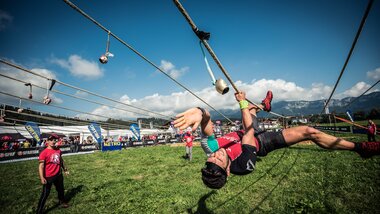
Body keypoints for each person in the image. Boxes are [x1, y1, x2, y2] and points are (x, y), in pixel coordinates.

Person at [173, 90, 380, 189]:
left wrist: (201, 112)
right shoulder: (243, 165)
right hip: (260, 142)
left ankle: (264, 106)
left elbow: (207, 123)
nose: (216, 155)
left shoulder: (210, 148)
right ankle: (361, 148)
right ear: (228, 170)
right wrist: (242, 104)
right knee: (309, 131)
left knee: (252, 109)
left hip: (245, 131)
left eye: (210, 159)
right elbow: (248, 131)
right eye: (218, 160)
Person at [36, 133, 69, 213]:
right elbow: (41, 166)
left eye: (55, 140)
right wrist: (42, 177)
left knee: (61, 190)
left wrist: (65, 169)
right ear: (47, 141)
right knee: (45, 194)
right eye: (51, 140)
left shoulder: (58, 150)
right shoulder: (44, 152)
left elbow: (61, 161)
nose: (53, 141)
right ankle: (39, 211)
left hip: (58, 175)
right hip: (48, 177)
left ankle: (62, 202)